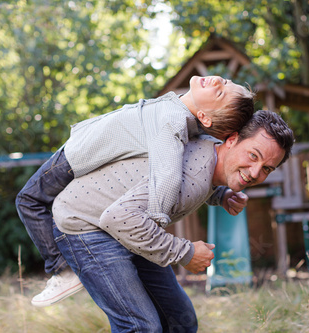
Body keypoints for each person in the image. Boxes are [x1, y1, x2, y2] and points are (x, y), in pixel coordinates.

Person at [15, 76, 255, 306]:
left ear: (204, 116)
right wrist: (220, 194)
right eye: (225, 81)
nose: (216, 81)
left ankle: (61, 270)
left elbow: (171, 175)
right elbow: (195, 164)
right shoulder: (181, 114)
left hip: (75, 157)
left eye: (221, 92)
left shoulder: (173, 122)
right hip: (80, 149)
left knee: (27, 200)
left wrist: (155, 217)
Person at [51, 110, 295, 332]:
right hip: (84, 225)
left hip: (129, 225)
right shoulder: (193, 178)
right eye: (253, 155)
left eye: (266, 169)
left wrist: (220, 194)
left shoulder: (208, 150)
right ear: (231, 140)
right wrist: (185, 252)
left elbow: (192, 180)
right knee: (140, 326)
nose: (254, 172)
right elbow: (119, 218)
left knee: (180, 319)